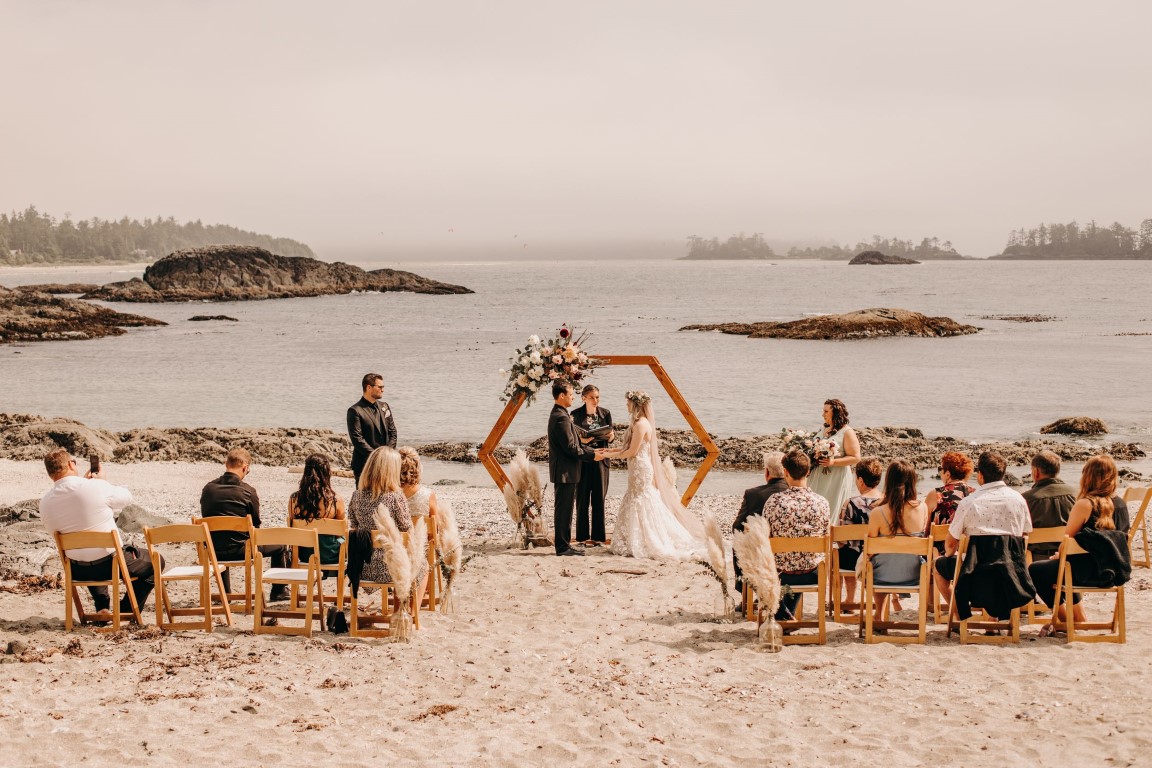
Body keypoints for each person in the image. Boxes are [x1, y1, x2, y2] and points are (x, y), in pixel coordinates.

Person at [39, 448, 162, 617]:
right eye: (74, 461)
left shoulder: (45, 502)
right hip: (111, 565)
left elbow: (53, 529)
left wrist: (87, 485)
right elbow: (126, 498)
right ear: (69, 464)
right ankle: (126, 610)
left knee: (88, 553)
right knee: (156, 561)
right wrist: (103, 482)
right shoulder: (95, 486)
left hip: (76, 569)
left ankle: (102, 607)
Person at [1029, 455, 1131, 637]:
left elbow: (1066, 543)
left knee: (1037, 570)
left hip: (1085, 572)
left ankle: (1065, 620)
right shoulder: (1122, 505)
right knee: (1062, 566)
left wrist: (1058, 556)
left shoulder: (1085, 504)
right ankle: (1073, 618)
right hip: (1114, 571)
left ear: (1087, 476)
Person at [603, 390, 705, 560]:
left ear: (635, 404)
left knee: (642, 499)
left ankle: (646, 539)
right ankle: (633, 538)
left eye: (628, 402)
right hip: (636, 467)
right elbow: (627, 448)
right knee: (636, 498)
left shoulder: (641, 424)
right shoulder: (638, 423)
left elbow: (633, 452)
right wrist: (610, 450)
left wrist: (608, 456)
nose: (626, 405)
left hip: (640, 468)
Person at [932, 451, 1032, 606]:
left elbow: (950, 546)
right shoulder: (1019, 500)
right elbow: (1023, 536)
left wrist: (952, 554)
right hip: (1010, 573)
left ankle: (959, 617)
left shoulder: (969, 503)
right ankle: (992, 619)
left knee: (938, 565)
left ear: (980, 475)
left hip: (974, 573)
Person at [200, 447, 289, 603]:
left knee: (219, 536)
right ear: (245, 468)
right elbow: (255, 525)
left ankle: (225, 593)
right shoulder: (248, 492)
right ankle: (278, 591)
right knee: (281, 545)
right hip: (242, 551)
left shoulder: (208, 489)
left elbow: (205, 517)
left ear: (226, 463)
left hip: (213, 551)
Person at [347, 447, 428, 613]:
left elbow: (354, 528)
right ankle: (409, 615)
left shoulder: (356, 495)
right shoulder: (395, 497)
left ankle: (402, 612)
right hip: (390, 567)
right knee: (423, 565)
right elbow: (408, 532)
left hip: (363, 567)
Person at [761, 449, 830, 621]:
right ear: (808, 472)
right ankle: (786, 615)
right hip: (813, 571)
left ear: (785, 472)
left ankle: (782, 614)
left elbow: (764, 536)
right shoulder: (822, 502)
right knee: (804, 557)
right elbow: (826, 535)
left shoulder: (774, 502)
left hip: (781, 573)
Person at [864, 460, 928, 623]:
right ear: (913, 481)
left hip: (882, 575)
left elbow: (869, 550)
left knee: (871, 562)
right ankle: (882, 613)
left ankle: (879, 614)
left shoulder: (877, 512)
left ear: (889, 481)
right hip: (913, 575)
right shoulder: (923, 508)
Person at [547, 379, 600, 556]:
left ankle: (565, 544)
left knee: (566, 509)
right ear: (561, 396)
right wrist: (592, 455)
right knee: (564, 510)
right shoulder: (561, 417)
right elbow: (571, 448)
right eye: (570, 395)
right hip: (565, 472)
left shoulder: (560, 414)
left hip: (565, 471)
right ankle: (562, 547)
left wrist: (591, 450)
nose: (573, 398)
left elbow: (573, 445)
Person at [732, 451, 788, 600]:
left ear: (767, 472)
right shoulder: (794, 493)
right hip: (790, 557)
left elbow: (737, 526)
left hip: (762, 553)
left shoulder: (753, 494)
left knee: (738, 539)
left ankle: (745, 592)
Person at [834, 457, 884, 609]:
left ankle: (849, 599)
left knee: (843, 550)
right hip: (880, 558)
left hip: (852, 560)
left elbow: (841, 538)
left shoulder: (850, 503)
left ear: (861, 481)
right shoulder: (887, 501)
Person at [570, 384, 615, 546]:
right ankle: (581, 538)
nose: (595, 400)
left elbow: (610, 437)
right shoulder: (575, 415)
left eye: (597, 397)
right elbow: (572, 439)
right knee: (582, 499)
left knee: (599, 499)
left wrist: (610, 437)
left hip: (601, 460)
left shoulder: (605, 413)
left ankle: (598, 538)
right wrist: (581, 440)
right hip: (583, 460)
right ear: (583, 398)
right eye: (592, 397)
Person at [806, 398, 861, 527]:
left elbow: (856, 457)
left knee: (831, 506)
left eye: (826, 411)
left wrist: (833, 462)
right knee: (814, 506)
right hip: (817, 474)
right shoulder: (823, 428)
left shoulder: (847, 432)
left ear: (835, 413)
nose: (822, 414)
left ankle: (829, 538)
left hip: (835, 477)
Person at [287, 453, 346, 568]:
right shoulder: (335, 500)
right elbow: (341, 534)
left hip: (304, 554)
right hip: (331, 555)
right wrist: (342, 542)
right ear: (327, 472)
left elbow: (293, 530)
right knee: (346, 538)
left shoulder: (294, 499)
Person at [399, 446, 439, 607]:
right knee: (429, 547)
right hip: (419, 550)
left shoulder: (390, 494)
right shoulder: (428, 494)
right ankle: (423, 592)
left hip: (396, 548)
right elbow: (433, 532)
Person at [1022, 450, 1076, 557]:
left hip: (1034, 562)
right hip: (1069, 559)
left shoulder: (1025, 499)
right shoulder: (1077, 495)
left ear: (1036, 472)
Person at [347, 372, 397, 485]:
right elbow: (357, 439)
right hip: (364, 464)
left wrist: (387, 455)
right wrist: (376, 457)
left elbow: (393, 432)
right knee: (364, 500)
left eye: (383, 387)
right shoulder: (355, 410)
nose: (383, 390)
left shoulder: (385, 406)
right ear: (369, 387)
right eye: (380, 387)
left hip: (386, 464)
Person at [924, 451, 976, 537]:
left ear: (948, 474)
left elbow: (925, 527)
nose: (940, 473)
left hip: (938, 548)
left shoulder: (936, 494)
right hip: (966, 548)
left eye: (941, 469)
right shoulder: (975, 494)